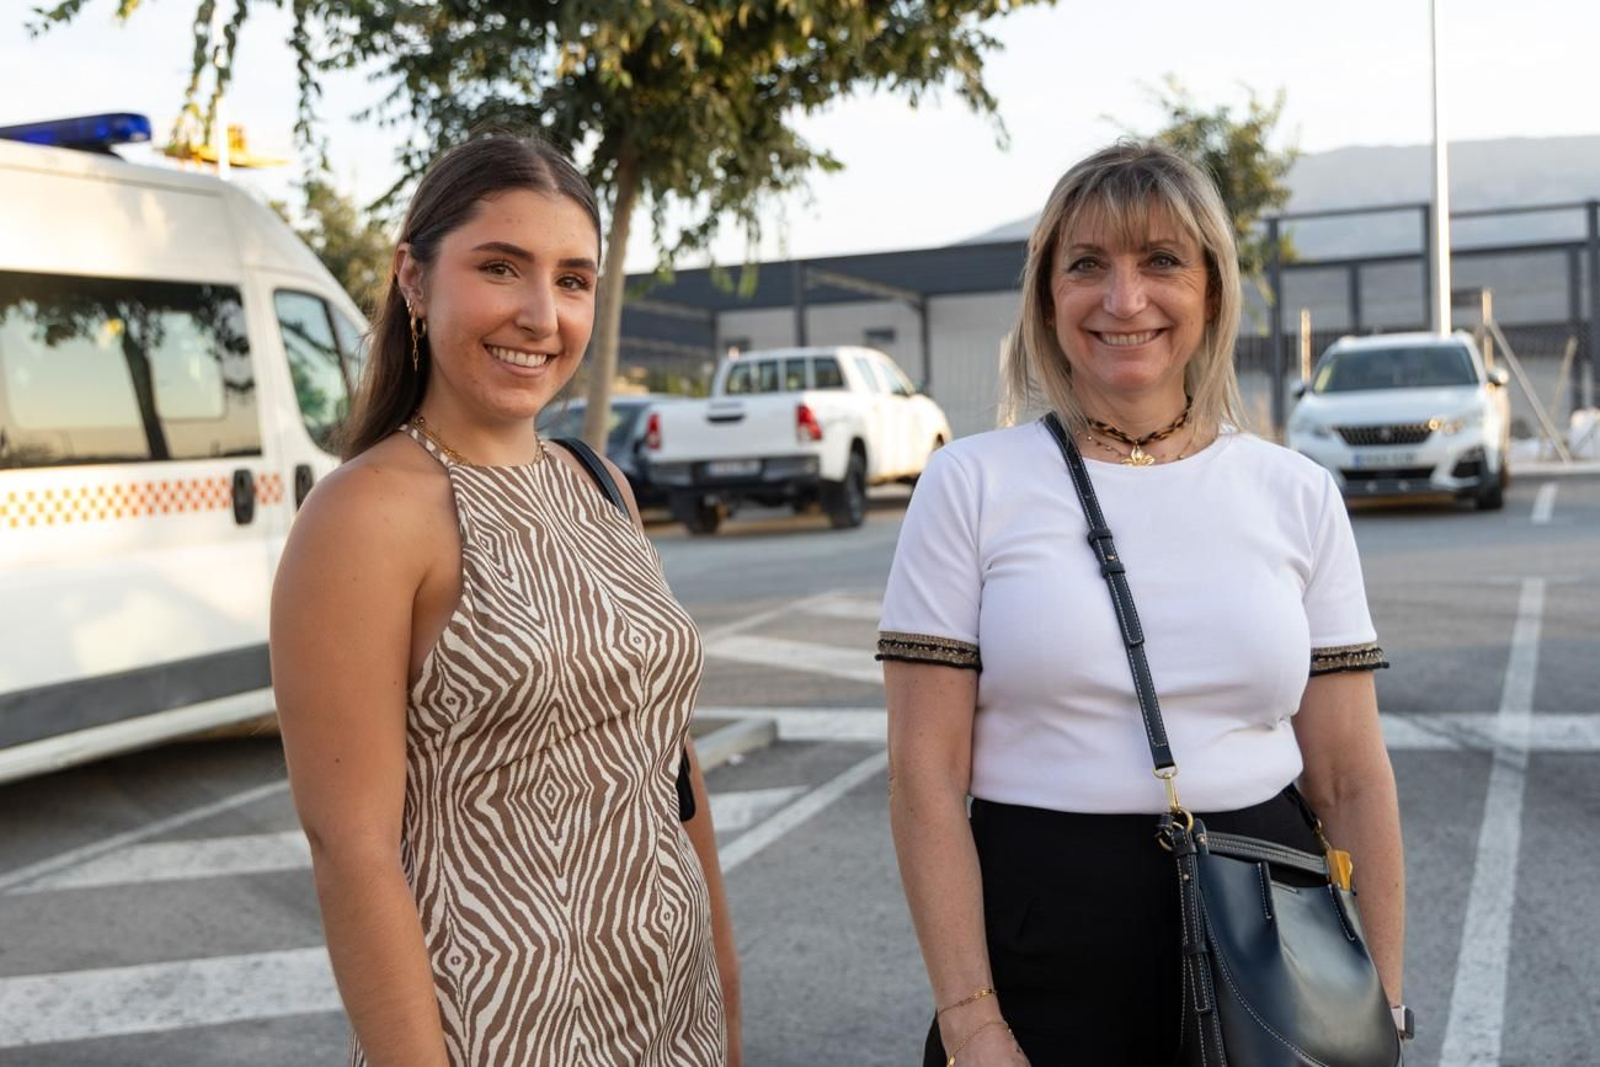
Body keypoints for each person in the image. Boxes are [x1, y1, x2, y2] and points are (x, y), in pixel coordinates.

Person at [879, 141, 1406, 1065]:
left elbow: (1352, 776)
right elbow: (924, 773)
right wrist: (971, 1021)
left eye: (1161, 261)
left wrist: (1381, 1008)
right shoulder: (970, 483)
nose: (1125, 300)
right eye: (1088, 265)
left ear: (1211, 287)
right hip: (1038, 954)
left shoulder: (1298, 492)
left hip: (1274, 947)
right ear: (1048, 293)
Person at [270, 133, 739, 1066]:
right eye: (500, 268)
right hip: (495, 1026)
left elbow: (670, 773)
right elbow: (352, 850)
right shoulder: (365, 514)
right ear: (414, 277)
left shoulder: (600, 482)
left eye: (572, 279)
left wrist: (724, 1003)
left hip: (666, 1010)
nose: (540, 313)